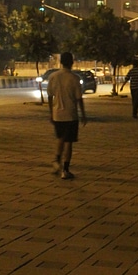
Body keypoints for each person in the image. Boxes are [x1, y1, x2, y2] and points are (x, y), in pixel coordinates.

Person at [47, 51, 87, 179]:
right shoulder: (74, 78)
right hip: (70, 114)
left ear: (60, 62)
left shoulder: (53, 76)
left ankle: (56, 161)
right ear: (72, 62)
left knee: (60, 138)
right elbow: (79, 98)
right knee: (69, 141)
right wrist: (83, 114)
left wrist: (51, 112)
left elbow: (49, 96)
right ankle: (65, 169)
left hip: (57, 113)